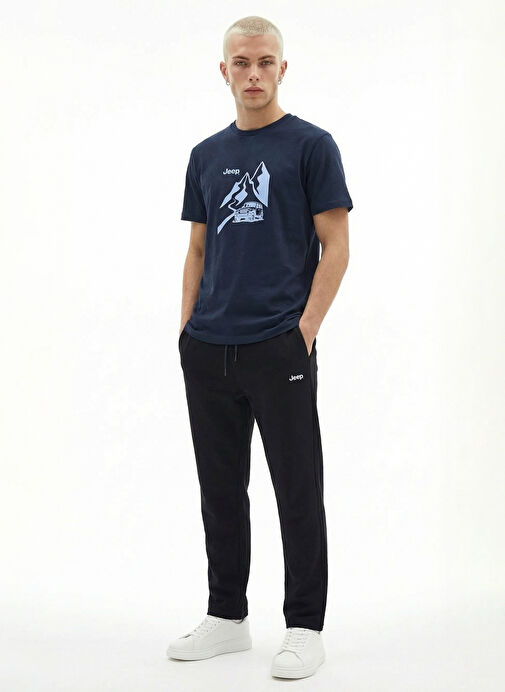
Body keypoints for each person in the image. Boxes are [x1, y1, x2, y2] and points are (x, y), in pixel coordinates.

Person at [166, 15, 353, 680]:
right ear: (224, 71)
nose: (253, 74)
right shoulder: (205, 155)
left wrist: (303, 332)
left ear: (281, 68)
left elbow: (336, 245)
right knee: (219, 491)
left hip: (278, 346)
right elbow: (197, 247)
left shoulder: (311, 146)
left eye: (264, 62)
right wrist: (186, 330)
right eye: (241, 63)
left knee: (297, 489)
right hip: (209, 347)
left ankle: (303, 626)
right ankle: (226, 617)